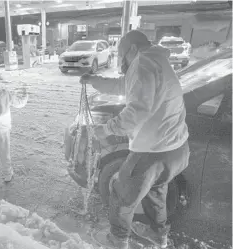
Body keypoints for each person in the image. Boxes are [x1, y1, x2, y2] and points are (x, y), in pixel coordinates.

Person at [80, 30, 190, 249]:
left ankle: (117, 240)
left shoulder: (142, 63)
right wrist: (94, 80)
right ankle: (158, 236)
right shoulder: (156, 61)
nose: (121, 61)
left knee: (122, 193)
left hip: (152, 151)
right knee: (156, 190)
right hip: (176, 149)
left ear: (131, 49)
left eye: (122, 55)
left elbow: (137, 111)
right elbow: (125, 85)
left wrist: (106, 129)